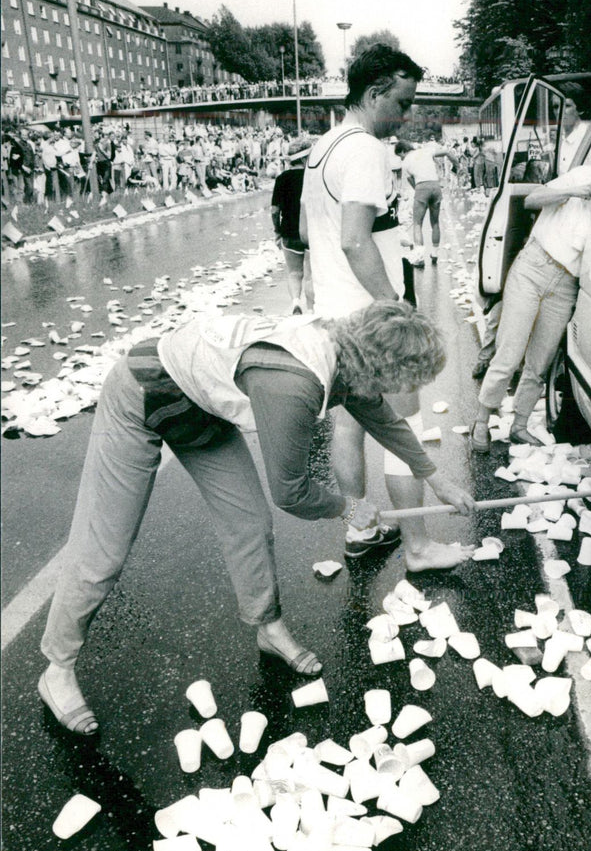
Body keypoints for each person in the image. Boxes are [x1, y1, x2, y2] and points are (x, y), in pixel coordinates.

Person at [37, 300, 475, 737]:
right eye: (403, 382)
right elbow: (292, 492)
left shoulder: (349, 350)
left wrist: (434, 477)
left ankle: (269, 628)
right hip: (143, 391)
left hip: (199, 406)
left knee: (249, 523)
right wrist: (349, 508)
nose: (401, 391)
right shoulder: (293, 386)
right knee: (104, 548)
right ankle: (57, 669)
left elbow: (378, 412)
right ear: (379, 369)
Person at [300, 44, 474, 570]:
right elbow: (356, 240)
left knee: (351, 425)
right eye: (401, 102)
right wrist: (396, 306)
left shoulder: (323, 146)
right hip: (370, 317)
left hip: (335, 311)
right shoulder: (364, 150)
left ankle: (360, 529)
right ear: (374, 93)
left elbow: (311, 232)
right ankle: (419, 547)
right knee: (405, 424)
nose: (406, 115)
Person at [470, 84, 591, 448]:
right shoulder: (581, 177)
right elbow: (533, 198)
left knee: (540, 360)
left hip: (565, 284)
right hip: (533, 268)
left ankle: (518, 425)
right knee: (510, 352)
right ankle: (481, 422)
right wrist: (574, 192)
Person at [271, 141, 314, 315]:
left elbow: (274, 210)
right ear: (305, 157)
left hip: (289, 232)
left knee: (294, 273)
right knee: (311, 276)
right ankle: (311, 310)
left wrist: (277, 230)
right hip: (311, 233)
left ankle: (296, 303)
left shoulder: (282, 178)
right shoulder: (313, 177)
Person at [399, 136, 456, 265]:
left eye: (400, 155)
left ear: (402, 151)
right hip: (435, 187)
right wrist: (457, 166)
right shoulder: (426, 150)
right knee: (435, 222)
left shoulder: (405, 162)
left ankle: (419, 259)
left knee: (417, 223)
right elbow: (447, 152)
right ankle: (435, 253)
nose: (401, 158)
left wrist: (419, 192)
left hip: (421, 187)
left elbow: (410, 181)